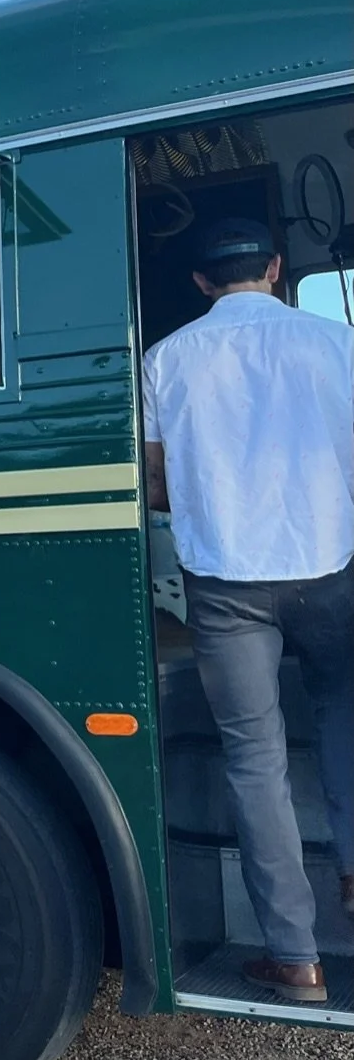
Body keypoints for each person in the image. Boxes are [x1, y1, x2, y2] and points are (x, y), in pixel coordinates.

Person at [143, 216, 354, 1003]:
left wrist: (215, 503)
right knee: (342, 717)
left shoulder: (164, 359)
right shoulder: (338, 343)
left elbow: (154, 484)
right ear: (273, 268)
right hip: (329, 567)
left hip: (223, 581)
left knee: (252, 758)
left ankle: (294, 959)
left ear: (201, 282)